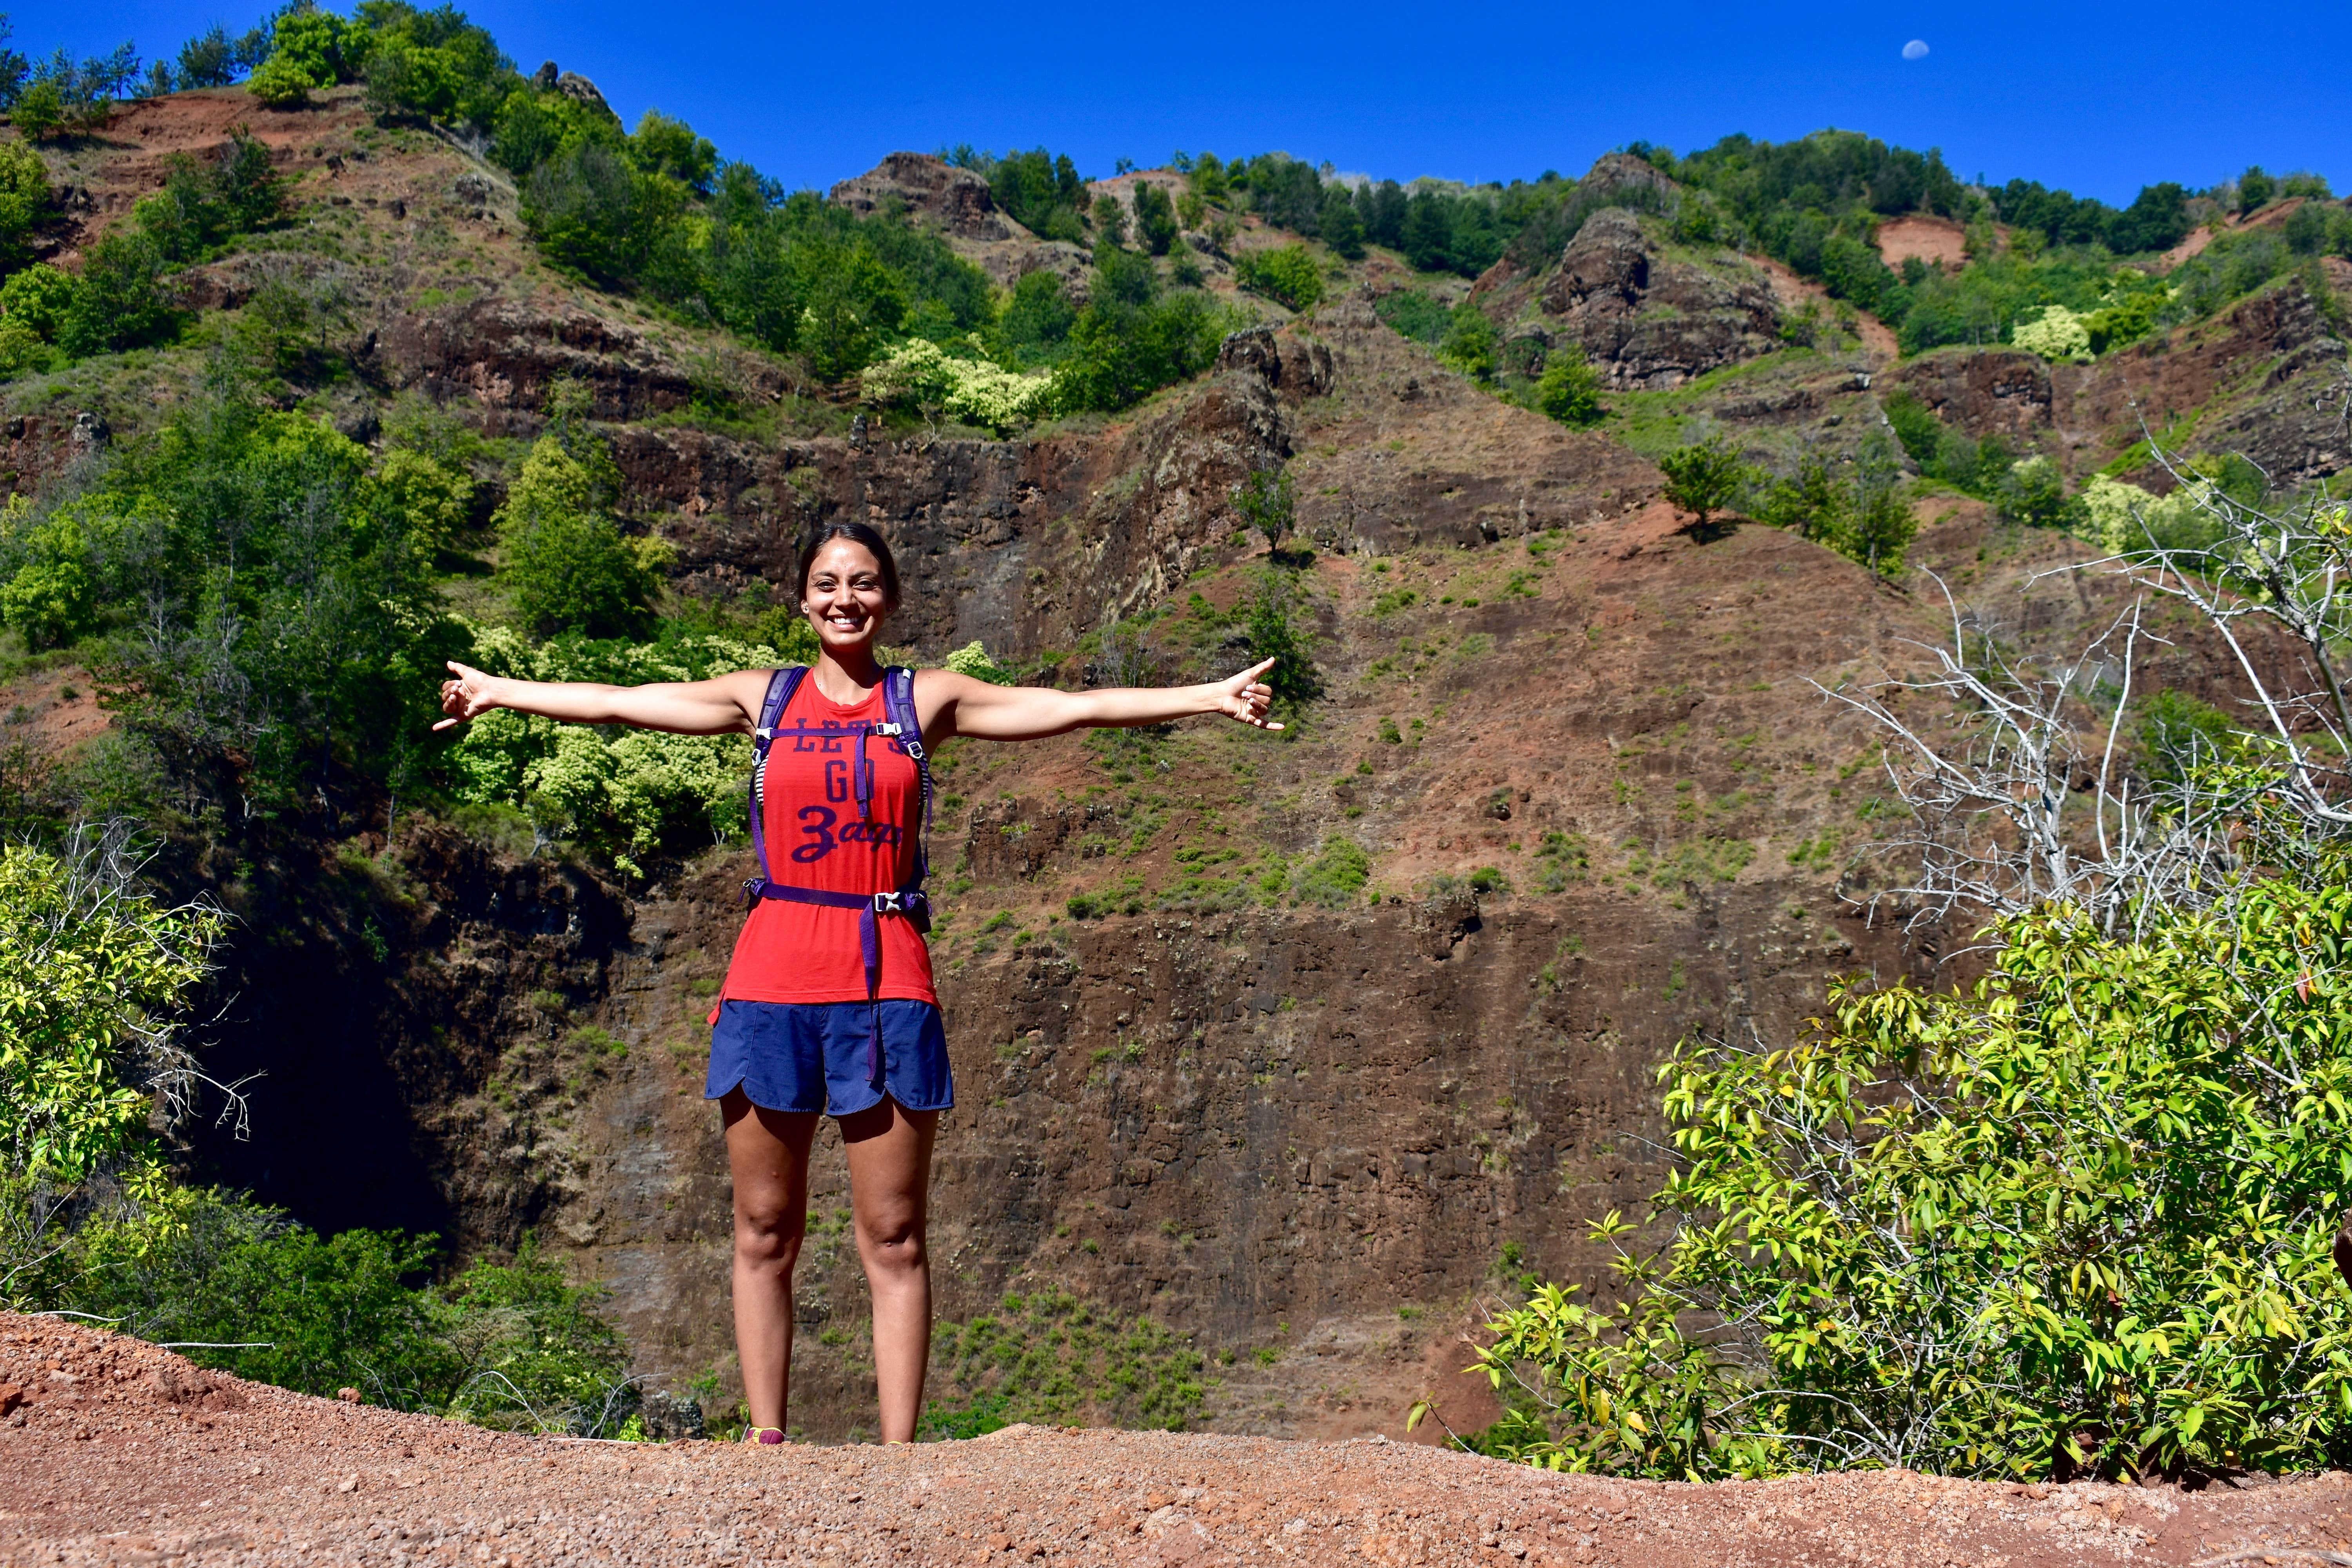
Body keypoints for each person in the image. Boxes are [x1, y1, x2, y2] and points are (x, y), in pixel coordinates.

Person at [434, 520, 1281, 1444]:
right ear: (802, 599)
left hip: (887, 984)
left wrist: (1210, 696)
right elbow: (619, 702)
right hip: (770, 982)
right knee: (764, 1228)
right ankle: (767, 1442)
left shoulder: (928, 699)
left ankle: (898, 1462)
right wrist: (497, 691)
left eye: (865, 582)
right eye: (828, 582)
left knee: (895, 1233)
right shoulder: (760, 697)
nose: (846, 598)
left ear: (892, 599)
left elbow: (1073, 705)